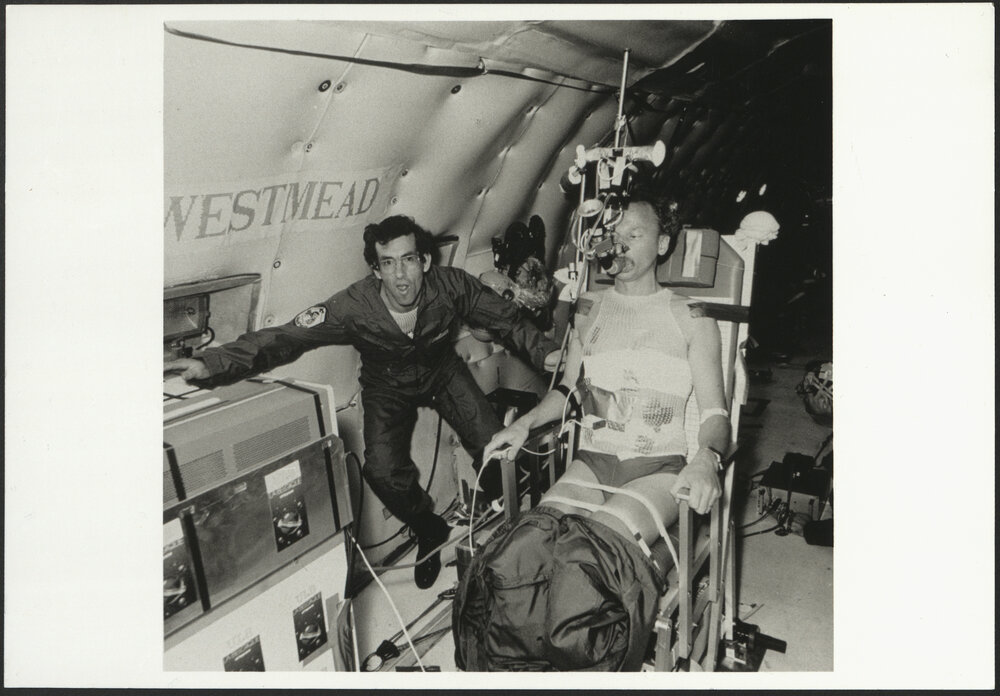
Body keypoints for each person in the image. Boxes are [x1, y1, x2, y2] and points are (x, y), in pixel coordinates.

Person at [165, 215, 561, 588]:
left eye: (408, 260)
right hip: (386, 383)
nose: (400, 275)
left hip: (442, 369)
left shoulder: (452, 284)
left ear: (424, 261)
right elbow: (285, 337)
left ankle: (495, 501)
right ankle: (428, 528)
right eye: (388, 264)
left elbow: (505, 318)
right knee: (383, 471)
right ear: (375, 270)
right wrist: (209, 362)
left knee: (494, 441)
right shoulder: (353, 305)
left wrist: (544, 354)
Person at [483, 192, 728, 551]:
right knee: (525, 548)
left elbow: (714, 414)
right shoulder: (587, 311)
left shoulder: (692, 318)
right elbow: (568, 390)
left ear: (662, 244)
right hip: (592, 464)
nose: (620, 246)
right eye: (614, 235)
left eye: (634, 235)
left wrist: (707, 458)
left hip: (657, 470)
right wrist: (524, 424)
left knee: (589, 554)